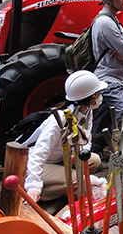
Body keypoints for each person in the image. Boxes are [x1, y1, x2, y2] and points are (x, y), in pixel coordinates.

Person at [24, 70, 107, 203]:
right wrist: (33, 186)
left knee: (94, 160)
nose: (100, 97)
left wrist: (77, 155)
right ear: (90, 97)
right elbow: (40, 152)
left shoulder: (87, 112)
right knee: (78, 179)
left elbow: (86, 138)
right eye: (97, 94)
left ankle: (66, 183)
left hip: (60, 158)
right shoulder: (59, 120)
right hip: (38, 164)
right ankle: (41, 194)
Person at [90, 0, 123, 163]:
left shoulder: (112, 20)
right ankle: (118, 155)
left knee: (103, 115)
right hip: (109, 78)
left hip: (113, 76)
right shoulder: (106, 23)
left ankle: (96, 153)